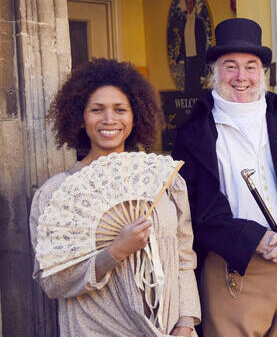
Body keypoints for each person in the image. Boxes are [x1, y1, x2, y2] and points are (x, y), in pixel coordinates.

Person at [172, 18, 277, 337]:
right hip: (234, 271)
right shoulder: (194, 133)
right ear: (214, 71)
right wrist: (252, 238)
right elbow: (194, 210)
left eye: (251, 66)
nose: (241, 77)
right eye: (230, 66)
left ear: (263, 73)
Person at [30, 58, 201, 336]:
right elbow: (52, 282)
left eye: (120, 109)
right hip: (96, 328)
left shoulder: (165, 183)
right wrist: (114, 252)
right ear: (80, 118)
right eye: (97, 110)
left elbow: (184, 257)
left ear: (135, 117)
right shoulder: (54, 194)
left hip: (168, 328)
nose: (109, 119)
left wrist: (186, 322)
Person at [181, 0, 207, 95]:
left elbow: (202, 44)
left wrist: (202, 71)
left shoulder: (199, 22)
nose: (189, 6)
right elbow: (183, 41)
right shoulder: (184, 21)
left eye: (191, 3)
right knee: (188, 90)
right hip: (187, 60)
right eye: (187, 3)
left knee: (196, 91)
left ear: (194, 4)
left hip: (197, 59)